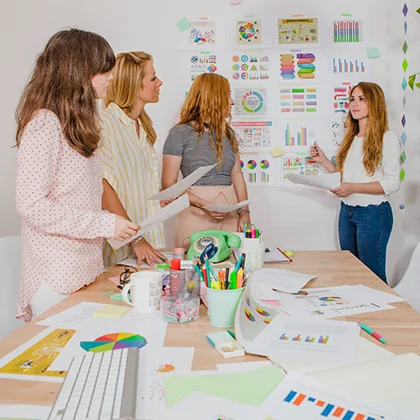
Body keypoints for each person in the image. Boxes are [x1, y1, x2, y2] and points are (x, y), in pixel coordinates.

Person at [15, 29, 138, 321]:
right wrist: (106, 223)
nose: (111, 78)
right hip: (55, 275)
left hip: (84, 269)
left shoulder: (79, 123)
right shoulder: (44, 123)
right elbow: (31, 205)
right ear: (79, 71)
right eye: (104, 71)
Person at [310, 82, 401, 283]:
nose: (354, 104)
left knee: (372, 276)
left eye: (361, 99)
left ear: (374, 103)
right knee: (350, 272)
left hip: (373, 213)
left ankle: (378, 314)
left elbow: (392, 183)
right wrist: (324, 161)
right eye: (352, 99)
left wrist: (353, 188)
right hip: (347, 212)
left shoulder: (387, 138)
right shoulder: (350, 138)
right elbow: (345, 178)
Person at [161, 73, 251, 248]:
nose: (232, 102)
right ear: (213, 98)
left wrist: (244, 213)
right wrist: (206, 205)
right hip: (195, 212)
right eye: (227, 95)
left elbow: (238, 177)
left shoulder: (228, 134)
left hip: (229, 211)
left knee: (232, 267)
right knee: (194, 267)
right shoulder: (179, 134)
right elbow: (168, 184)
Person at [99, 51, 168, 268]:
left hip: (147, 242)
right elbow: (102, 186)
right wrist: (135, 239)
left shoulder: (143, 127)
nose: (160, 82)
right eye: (153, 78)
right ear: (134, 85)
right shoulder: (105, 123)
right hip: (126, 244)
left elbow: (136, 183)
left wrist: (161, 198)